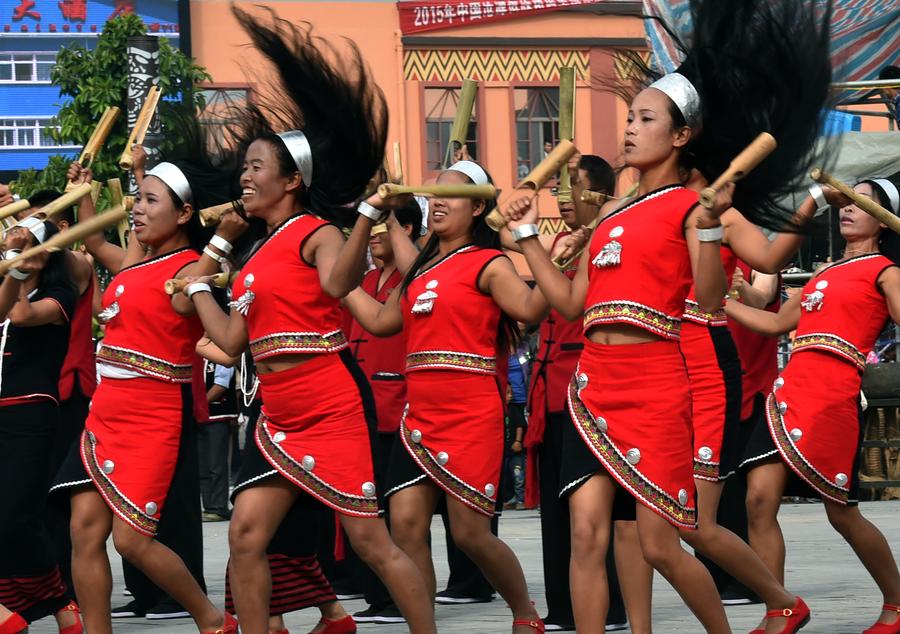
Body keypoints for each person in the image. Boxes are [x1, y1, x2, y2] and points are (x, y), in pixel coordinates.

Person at [502, 0, 833, 630]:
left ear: (681, 136)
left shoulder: (691, 207)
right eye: (629, 117)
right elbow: (571, 305)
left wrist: (712, 230)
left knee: (661, 543)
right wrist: (524, 236)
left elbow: (709, 302)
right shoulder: (607, 219)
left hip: (657, 389)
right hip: (592, 388)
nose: (628, 128)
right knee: (586, 534)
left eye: (645, 118)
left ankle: (764, 612)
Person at [182, 8, 436, 634]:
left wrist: (370, 218)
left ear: (292, 181)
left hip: (327, 403)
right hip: (277, 409)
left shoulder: (316, 232)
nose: (244, 175)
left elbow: (337, 284)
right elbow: (236, 338)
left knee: (372, 543)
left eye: (256, 168)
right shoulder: (252, 254)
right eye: (243, 167)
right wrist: (199, 285)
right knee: (244, 535)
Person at [343, 158, 548, 633]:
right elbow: (379, 322)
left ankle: (525, 614)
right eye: (432, 194)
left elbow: (531, 308)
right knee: (406, 524)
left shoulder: (489, 263)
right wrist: (337, 280)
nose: (437, 202)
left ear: (477, 209)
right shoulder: (420, 270)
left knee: (470, 534)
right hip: (420, 415)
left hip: (471, 413)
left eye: (450, 196)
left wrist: (531, 239)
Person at [50, 155, 237, 634]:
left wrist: (220, 241)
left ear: (183, 214)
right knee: (84, 530)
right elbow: (93, 239)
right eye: (136, 200)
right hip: (105, 412)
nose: (136, 209)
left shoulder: (190, 266)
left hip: (151, 416)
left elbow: (181, 298)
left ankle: (211, 619)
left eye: (150, 201)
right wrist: (84, 189)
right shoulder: (136, 262)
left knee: (131, 542)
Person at [729, 177, 900, 634]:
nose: (844, 209)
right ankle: (780, 608)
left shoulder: (885, 270)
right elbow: (776, 322)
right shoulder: (822, 274)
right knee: (759, 500)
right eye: (842, 202)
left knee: (841, 514)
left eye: (857, 202)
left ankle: (897, 604)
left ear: (881, 220)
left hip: (833, 396)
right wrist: (722, 303)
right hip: (789, 393)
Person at [0, 218, 81, 634]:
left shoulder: (59, 294)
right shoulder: (6, 288)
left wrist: (13, 263)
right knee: (13, 518)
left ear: (48, 253)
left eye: (31, 244)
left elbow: (21, 313)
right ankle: (61, 608)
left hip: (32, 416)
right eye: (17, 243)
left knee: (16, 515)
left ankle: (29, 610)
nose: (21, 249)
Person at [345, 200, 423, 625]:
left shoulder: (411, 277)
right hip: (361, 406)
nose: (374, 240)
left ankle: (401, 597)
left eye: (380, 231)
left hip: (396, 406)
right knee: (367, 504)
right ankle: (375, 594)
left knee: (399, 511)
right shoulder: (369, 279)